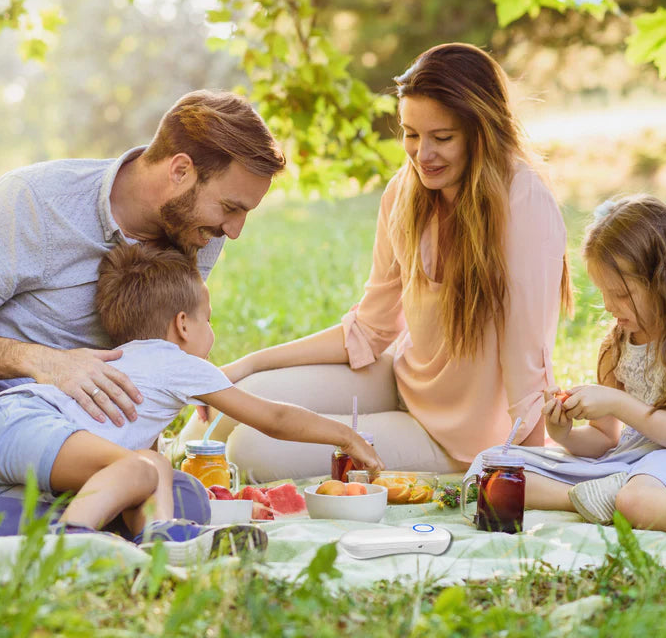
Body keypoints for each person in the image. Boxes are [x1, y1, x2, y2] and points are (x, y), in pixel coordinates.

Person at [178, 42, 573, 480]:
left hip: (461, 437)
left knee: (253, 451)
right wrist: (249, 364)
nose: (423, 155)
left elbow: (526, 357)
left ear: (481, 132)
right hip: (402, 382)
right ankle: (159, 464)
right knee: (242, 397)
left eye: (442, 138)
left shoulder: (523, 201)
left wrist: (527, 473)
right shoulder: (405, 192)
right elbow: (369, 329)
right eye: (411, 133)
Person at [0, 89, 285, 547]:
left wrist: (144, 465)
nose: (234, 230)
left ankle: (14, 523)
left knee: (181, 501)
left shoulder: (198, 234)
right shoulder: (35, 201)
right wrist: (43, 362)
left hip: (82, 440)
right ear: (180, 170)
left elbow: (151, 357)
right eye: (230, 207)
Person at [0, 242, 382, 563]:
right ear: (183, 324)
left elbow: (138, 446)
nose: (211, 330)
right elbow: (272, 417)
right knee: (135, 467)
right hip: (28, 422)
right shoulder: (177, 362)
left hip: (9, 431)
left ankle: (161, 539)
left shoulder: (137, 358)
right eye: (210, 318)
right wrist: (344, 435)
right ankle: (73, 543)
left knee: (154, 467)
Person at [467, 195, 666, 551]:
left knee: (635, 500)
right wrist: (564, 433)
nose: (608, 306)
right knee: (491, 467)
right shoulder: (617, 345)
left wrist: (617, 403)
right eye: (604, 293)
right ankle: (583, 496)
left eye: (620, 293)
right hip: (631, 459)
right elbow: (606, 440)